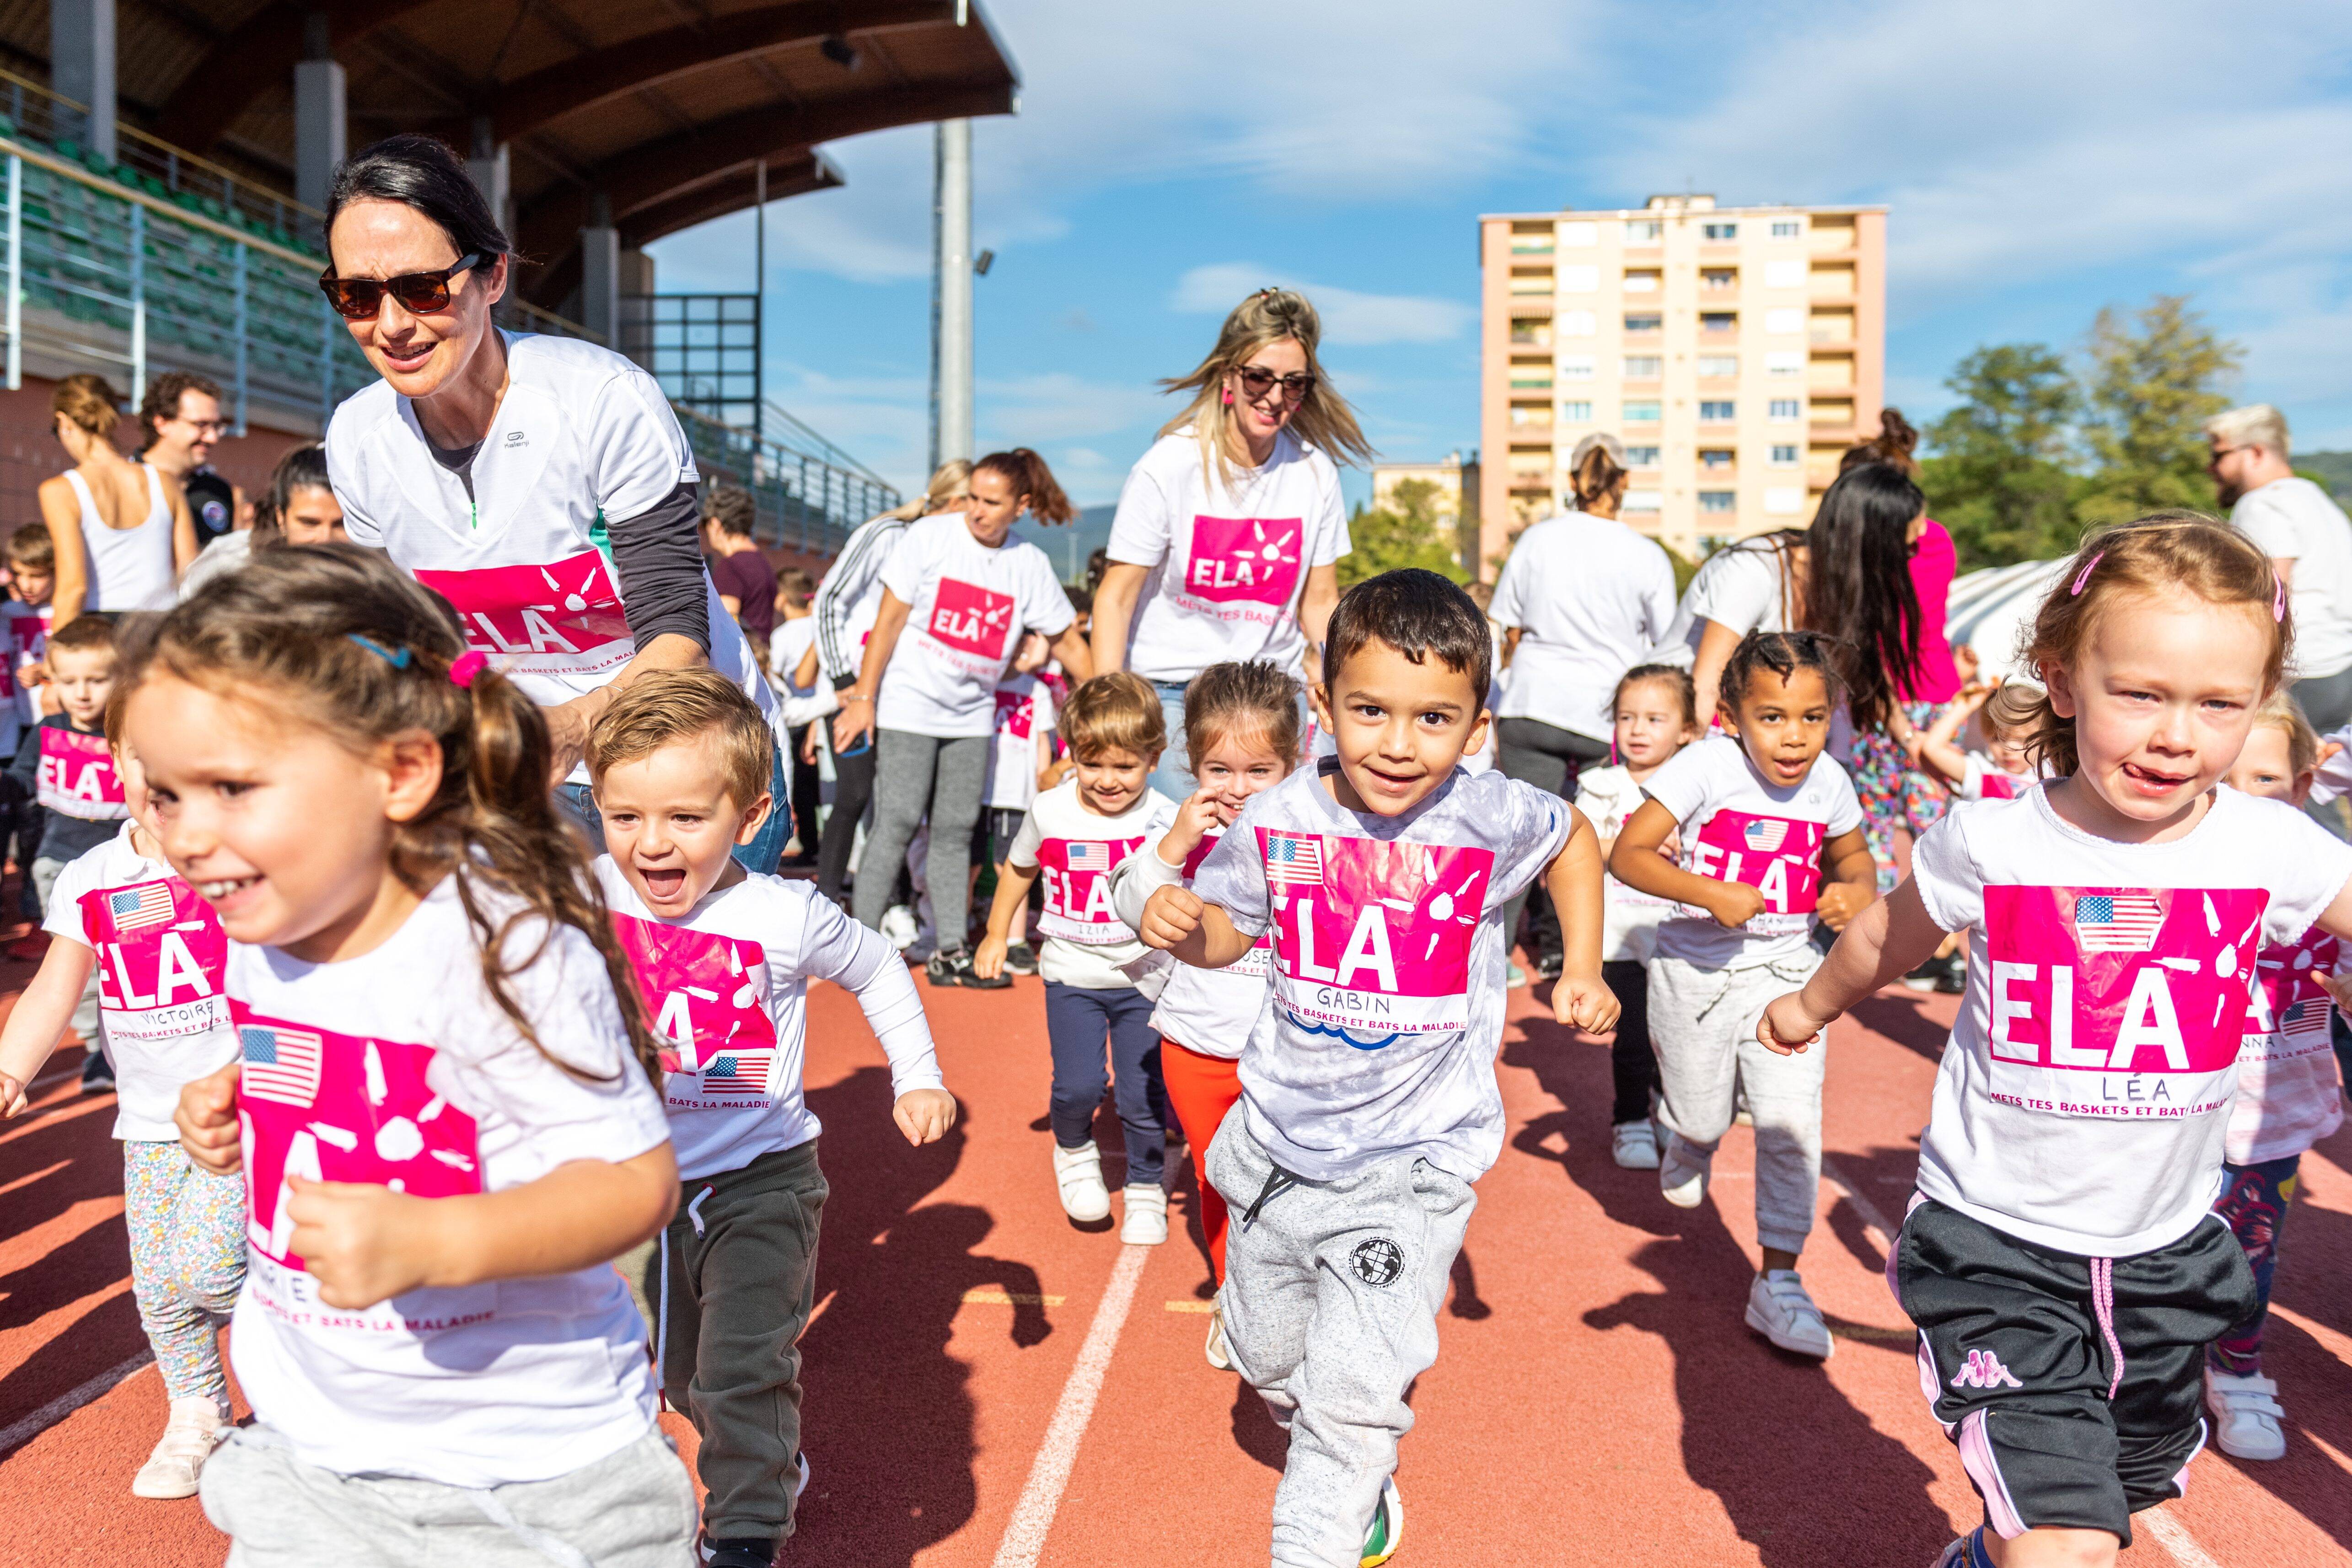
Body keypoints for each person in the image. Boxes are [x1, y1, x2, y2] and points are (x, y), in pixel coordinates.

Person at [1757, 516, 2352, 1568]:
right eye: (2140, 693)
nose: (2175, 735)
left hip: (2167, 1253)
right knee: (2068, 1538)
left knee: (2118, 1491)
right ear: (2062, 679)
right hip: (1994, 1246)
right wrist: (1807, 1005)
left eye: (2217, 704)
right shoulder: (1991, 838)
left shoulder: (2266, 842)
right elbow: (1878, 936)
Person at [141, 546, 695, 1568]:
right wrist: (241, 1098)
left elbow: (635, 1183)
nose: (183, 834)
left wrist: (440, 1242)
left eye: (229, 785)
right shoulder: (267, 918)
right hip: (314, 1460)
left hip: (532, 1481)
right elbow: (328, 1052)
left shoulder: (499, 944)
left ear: (399, 771)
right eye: (167, 794)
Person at [1136, 569, 1616, 1568]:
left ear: (1478, 723)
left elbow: (1575, 835)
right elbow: (1236, 934)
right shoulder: (1278, 821)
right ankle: (1348, 1460)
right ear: (1322, 707)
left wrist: (1580, 963)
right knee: (1271, 1355)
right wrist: (1189, 929)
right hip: (1274, 1150)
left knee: (1352, 1397)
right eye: (1370, 712)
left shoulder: (1493, 814)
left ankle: (1325, 1518)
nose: (1399, 745)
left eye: (1434, 718)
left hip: (1414, 1163)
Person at [316, 134, 786, 871]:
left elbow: (676, 642)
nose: (392, 325)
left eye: (422, 288)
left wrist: (561, 734)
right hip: (522, 774)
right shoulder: (356, 438)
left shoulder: (603, 400)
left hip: (683, 763)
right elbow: (408, 638)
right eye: (357, 295)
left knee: (692, 992)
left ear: (493, 274)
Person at [585, 669, 953, 1568]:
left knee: (741, 1367)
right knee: (682, 1380)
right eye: (626, 816)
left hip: (762, 1183)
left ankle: (747, 1534)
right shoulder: (586, 892)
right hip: (638, 1186)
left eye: (684, 818)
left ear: (748, 820)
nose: (652, 844)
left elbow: (876, 967)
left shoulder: (782, 915)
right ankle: (768, 1458)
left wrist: (919, 1075)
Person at [1608, 631, 1874, 1358]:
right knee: (1699, 1111)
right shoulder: (1704, 766)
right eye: (1772, 717)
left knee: (1790, 1125)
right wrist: (1706, 892)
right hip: (1693, 975)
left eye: (1811, 718)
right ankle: (1687, 1136)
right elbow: (1627, 855)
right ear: (1730, 715)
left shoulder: (1830, 782)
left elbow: (1855, 859)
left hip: (1788, 976)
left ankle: (1780, 1281)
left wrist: (1853, 890)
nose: (1794, 738)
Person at [0, 723, 240, 1499]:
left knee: (209, 1266)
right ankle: (198, 1411)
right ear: (115, 763)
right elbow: (52, 989)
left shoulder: (246, 858)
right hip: (147, 1120)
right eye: (150, 765)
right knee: (159, 1289)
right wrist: (8, 1069)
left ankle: (320, 1340)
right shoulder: (90, 874)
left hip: (243, 1115)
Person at [1091, 288, 1364, 801]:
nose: (1276, 397)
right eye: (1260, 377)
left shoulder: (1315, 471)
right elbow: (1116, 595)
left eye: (1294, 383)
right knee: (1185, 852)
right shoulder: (1170, 465)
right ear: (1229, 376)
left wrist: (1348, 686)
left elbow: (1321, 602)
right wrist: (1107, 708)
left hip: (1271, 692)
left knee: (1265, 858)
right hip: (1174, 692)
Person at [830, 449, 1090, 984]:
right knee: (897, 821)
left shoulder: (1029, 564)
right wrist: (863, 697)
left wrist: (1106, 689)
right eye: (972, 497)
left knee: (954, 829)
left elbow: (1067, 639)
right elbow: (889, 622)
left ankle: (949, 946)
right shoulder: (929, 538)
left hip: (972, 715)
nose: (976, 510)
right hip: (908, 703)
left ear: (1020, 505)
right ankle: (859, 943)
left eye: (991, 502)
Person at [1106, 658, 1302, 1364]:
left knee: (1289, 1183)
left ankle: (1285, 1293)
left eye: (1260, 771)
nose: (1238, 789)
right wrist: (1176, 846)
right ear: (1191, 765)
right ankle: (1232, 1292)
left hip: (1287, 1049)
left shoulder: (1309, 831)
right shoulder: (1174, 827)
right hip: (1196, 1044)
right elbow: (1126, 897)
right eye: (1220, 770)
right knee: (1220, 1178)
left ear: (1295, 761)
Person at [975, 672, 1179, 1242]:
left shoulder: (1165, 818)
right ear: (1072, 754)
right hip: (1070, 975)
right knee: (1079, 1087)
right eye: (1094, 765)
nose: (1108, 781)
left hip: (1144, 980)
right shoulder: (1050, 809)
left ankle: (1144, 1186)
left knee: (1143, 1098)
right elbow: (1019, 867)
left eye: (1125, 767)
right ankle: (1073, 1149)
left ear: (1154, 757)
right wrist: (996, 934)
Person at [2202, 692, 2341, 1462]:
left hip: (2272, 1122)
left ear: (2298, 788)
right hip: (2167, 1118)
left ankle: (2238, 1369)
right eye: (2227, 779)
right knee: (2148, 1253)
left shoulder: (2330, 897)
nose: (2242, 800)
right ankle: (2130, 1372)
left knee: (2249, 1253)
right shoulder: (2179, 877)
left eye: (2265, 780)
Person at [1489, 432, 1677, 980]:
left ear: (1572, 480)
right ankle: (1576, 952)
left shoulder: (1536, 540)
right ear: (1624, 481)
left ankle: (1494, 958)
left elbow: (1511, 626)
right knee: (1592, 837)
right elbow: (1664, 647)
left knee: (1522, 835)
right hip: (1607, 714)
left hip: (1532, 702)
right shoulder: (1646, 554)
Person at [808, 461, 973, 904]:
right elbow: (828, 602)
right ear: (956, 501)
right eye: (971, 503)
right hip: (854, 692)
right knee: (856, 792)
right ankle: (825, 900)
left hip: (906, 699)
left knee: (900, 806)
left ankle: (898, 904)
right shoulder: (886, 534)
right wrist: (846, 679)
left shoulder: (960, 549)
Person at [1569, 664, 1699, 1170]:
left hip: (1677, 934)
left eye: (1654, 718)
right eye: (1628, 717)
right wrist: (1633, 846)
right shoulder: (1603, 785)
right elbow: (1578, 843)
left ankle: (1670, 1109)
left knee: (1681, 1035)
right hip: (1620, 935)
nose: (1638, 729)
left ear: (1687, 730)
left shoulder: (1696, 787)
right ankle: (1630, 1120)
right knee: (1635, 1037)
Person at [10, 613, 129, 1080]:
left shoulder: (128, 731)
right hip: (58, 864)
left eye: (97, 679)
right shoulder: (46, 731)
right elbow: (21, 779)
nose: (82, 692)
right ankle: (98, 1048)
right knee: (74, 965)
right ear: (52, 681)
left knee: (124, 961)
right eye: (69, 680)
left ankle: (127, 1041)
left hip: (122, 866)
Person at [2207, 403, 2352, 730]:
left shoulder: (2262, 504)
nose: (2210, 468)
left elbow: (2269, 595)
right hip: (2340, 673)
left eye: (2219, 456)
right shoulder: (2318, 500)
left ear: (2256, 452)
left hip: (2297, 678)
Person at [40, 374, 198, 624]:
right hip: (161, 627)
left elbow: (74, 587)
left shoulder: (61, 490)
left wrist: (54, 655)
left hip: (100, 629)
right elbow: (191, 572)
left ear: (64, 421)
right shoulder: (165, 481)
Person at [978, 632, 1057, 973]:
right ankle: (955, 932)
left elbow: (1043, 741)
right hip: (976, 788)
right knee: (966, 867)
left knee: (1012, 864)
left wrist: (1042, 783)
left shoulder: (1036, 690)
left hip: (1014, 792)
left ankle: (1015, 940)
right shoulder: (981, 683)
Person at [137, 371, 241, 547]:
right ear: (162, 423)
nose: (212, 438)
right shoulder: (121, 484)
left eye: (216, 427)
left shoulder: (218, 491)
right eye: (201, 425)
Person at [768, 568, 821, 868]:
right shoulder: (818, 627)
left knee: (800, 789)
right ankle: (820, 848)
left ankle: (809, 847)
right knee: (820, 789)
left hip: (796, 718)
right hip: (822, 716)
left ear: (781, 600)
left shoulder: (783, 635)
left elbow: (772, 673)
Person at [704, 485, 778, 662]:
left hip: (743, 662)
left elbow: (728, 625)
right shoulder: (763, 563)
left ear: (716, 524)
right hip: (761, 660)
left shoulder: (731, 567)